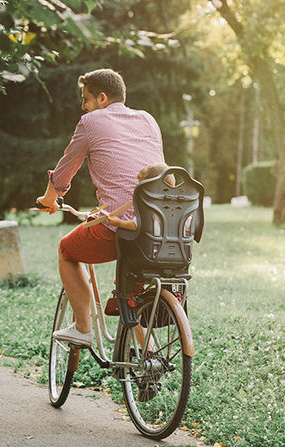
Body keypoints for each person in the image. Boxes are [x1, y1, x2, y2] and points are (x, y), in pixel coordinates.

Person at [35, 68, 165, 347]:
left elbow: (64, 171)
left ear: (102, 97)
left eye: (86, 99)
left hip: (118, 228)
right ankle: (148, 355)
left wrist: (49, 200)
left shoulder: (90, 121)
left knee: (66, 249)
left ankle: (82, 329)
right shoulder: (148, 120)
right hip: (158, 226)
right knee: (129, 289)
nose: (83, 106)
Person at [107, 163, 175, 231]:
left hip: (153, 240)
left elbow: (138, 225)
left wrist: (119, 223)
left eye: (145, 189)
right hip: (178, 240)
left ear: (168, 185)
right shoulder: (182, 202)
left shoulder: (151, 203)